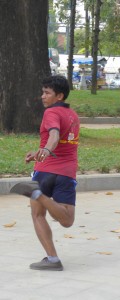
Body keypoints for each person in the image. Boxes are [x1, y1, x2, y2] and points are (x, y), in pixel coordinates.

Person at [10, 75, 80, 271]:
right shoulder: (73, 115)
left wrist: (47, 150)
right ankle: (52, 261)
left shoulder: (51, 113)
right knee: (67, 220)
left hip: (44, 172)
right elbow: (61, 141)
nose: (42, 96)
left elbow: (55, 135)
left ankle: (52, 259)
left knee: (38, 215)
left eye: (47, 93)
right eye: (43, 92)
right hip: (66, 172)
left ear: (59, 95)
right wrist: (38, 152)